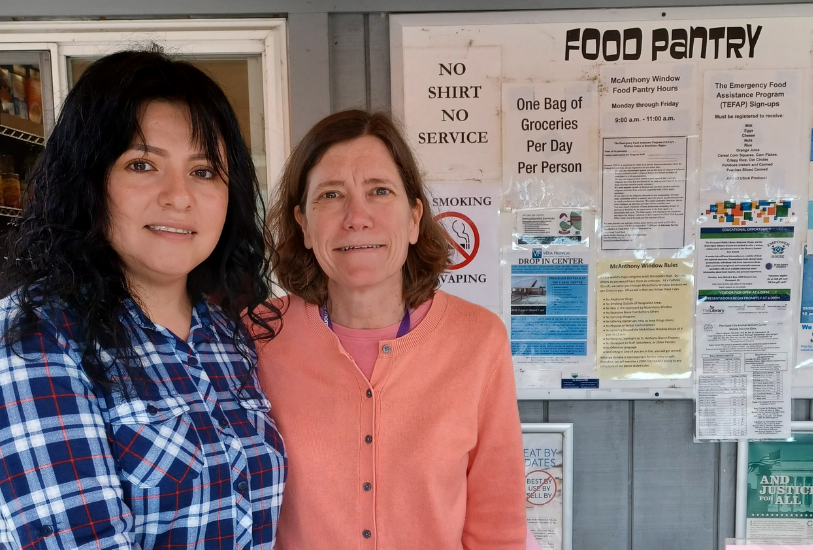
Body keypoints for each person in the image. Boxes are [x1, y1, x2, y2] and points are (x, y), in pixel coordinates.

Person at [0, 50, 286, 549]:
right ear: (88, 182)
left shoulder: (226, 335)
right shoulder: (37, 337)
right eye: (142, 164)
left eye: (203, 172)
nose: (179, 196)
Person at [258, 110, 526, 549]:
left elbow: (499, 524)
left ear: (414, 218)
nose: (356, 217)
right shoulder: (258, 336)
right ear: (304, 224)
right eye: (330, 195)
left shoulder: (478, 339)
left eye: (379, 191)